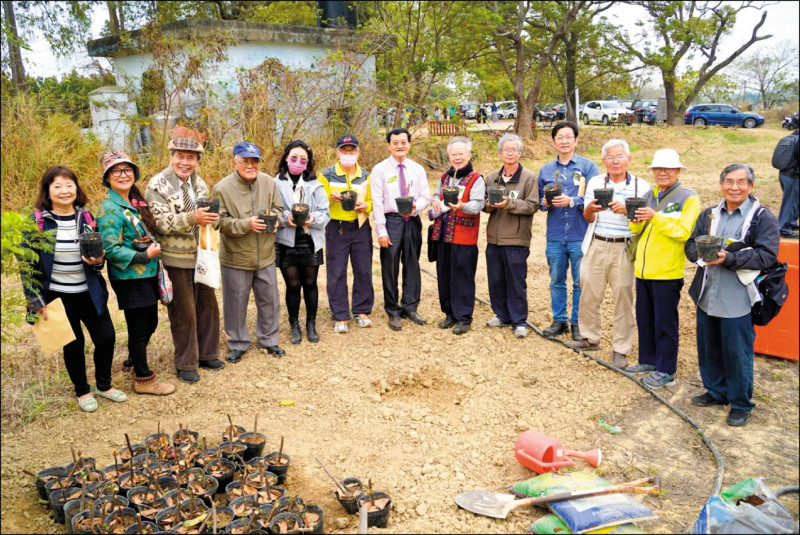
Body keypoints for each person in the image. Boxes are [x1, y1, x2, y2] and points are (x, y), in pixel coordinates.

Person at [20, 166, 124, 411]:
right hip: (58, 295)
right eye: (57, 186)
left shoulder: (86, 217)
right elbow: (27, 265)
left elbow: (97, 259)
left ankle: (104, 385)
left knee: (106, 337)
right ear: (47, 191)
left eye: (69, 185)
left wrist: (98, 261)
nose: (64, 191)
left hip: (89, 292)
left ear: (76, 188)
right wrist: (35, 300)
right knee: (73, 343)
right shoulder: (37, 221)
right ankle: (82, 391)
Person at [685, 164, 779, 427]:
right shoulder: (709, 215)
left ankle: (740, 403)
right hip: (708, 293)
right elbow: (690, 244)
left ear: (751, 186)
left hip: (738, 297)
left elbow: (767, 255)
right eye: (728, 181)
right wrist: (699, 254)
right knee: (709, 346)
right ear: (721, 184)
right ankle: (716, 391)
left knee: (737, 352)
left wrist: (730, 259)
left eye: (741, 182)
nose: (734, 187)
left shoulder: (761, 217)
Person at [145, 131, 224, 384]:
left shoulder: (199, 184)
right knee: (184, 312)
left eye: (191, 158)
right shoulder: (157, 184)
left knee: (207, 306)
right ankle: (186, 363)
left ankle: (208, 354)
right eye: (180, 156)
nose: (185, 162)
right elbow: (158, 222)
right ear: (171, 157)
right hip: (175, 257)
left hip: (202, 254)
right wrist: (193, 218)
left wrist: (212, 219)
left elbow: (205, 216)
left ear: (197, 161)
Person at [97, 151, 175, 396]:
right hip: (129, 277)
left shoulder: (134, 201)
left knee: (150, 322)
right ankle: (143, 378)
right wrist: (144, 255)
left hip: (147, 273)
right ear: (107, 178)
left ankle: (132, 360)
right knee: (139, 327)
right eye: (116, 171)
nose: (123, 175)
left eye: (127, 170)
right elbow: (110, 249)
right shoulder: (109, 208)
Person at [570, 139, 650, 369]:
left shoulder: (641, 186)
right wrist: (590, 209)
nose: (615, 161)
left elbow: (645, 219)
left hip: (624, 247)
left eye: (620, 156)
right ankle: (590, 337)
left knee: (623, 296)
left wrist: (627, 210)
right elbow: (588, 217)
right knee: (589, 291)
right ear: (604, 161)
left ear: (629, 159)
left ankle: (621, 348)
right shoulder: (596, 182)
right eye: (610, 157)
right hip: (597, 243)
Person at [626, 149, 700, 388]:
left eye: (668, 168)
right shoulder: (649, 194)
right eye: (658, 168)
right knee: (645, 319)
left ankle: (666, 371)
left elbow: (683, 232)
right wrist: (635, 221)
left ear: (678, 170)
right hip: (643, 270)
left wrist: (654, 217)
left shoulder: (689, 198)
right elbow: (636, 230)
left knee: (665, 323)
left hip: (667, 272)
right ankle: (648, 361)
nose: (662, 172)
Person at [213, 142, 285, 362]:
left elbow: (279, 209)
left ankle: (269, 340)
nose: (250, 165)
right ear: (235, 162)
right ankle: (237, 343)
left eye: (255, 161)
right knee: (235, 303)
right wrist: (247, 224)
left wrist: (277, 220)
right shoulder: (222, 188)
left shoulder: (269, 182)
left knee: (269, 300)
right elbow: (219, 222)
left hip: (265, 254)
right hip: (236, 256)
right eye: (245, 161)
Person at [537, 121, 600, 341]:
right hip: (555, 235)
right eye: (560, 138)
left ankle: (577, 322)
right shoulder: (546, 170)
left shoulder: (588, 167)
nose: (564, 141)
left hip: (579, 234)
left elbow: (595, 198)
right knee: (556, 279)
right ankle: (559, 320)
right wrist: (545, 202)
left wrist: (572, 201)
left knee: (580, 281)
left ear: (576, 140)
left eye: (568, 137)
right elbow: (540, 201)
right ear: (553, 142)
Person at [370, 128, 432, 330]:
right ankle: (393, 310)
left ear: (409, 144)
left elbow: (425, 196)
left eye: (403, 142)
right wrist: (381, 230)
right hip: (392, 221)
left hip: (412, 220)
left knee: (412, 263)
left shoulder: (417, 169)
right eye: (395, 142)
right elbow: (377, 201)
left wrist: (416, 208)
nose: (400, 146)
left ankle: (410, 307)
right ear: (388, 146)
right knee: (390, 267)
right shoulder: (380, 170)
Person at [483, 134, 540, 338]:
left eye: (513, 149)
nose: (509, 153)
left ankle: (519, 320)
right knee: (496, 279)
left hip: (517, 238)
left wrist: (509, 203)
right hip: (494, 238)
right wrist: (489, 204)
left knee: (516, 281)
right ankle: (502, 315)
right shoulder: (491, 177)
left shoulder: (529, 178)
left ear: (519, 153)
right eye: (506, 149)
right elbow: (484, 206)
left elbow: (532, 205)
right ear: (500, 153)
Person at [274, 140, 330, 344]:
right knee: (293, 284)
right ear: (286, 158)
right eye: (294, 158)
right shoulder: (274, 183)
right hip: (286, 240)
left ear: (308, 163)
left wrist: (313, 218)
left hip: (309, 239)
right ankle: (294, 324)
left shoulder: (316, 185)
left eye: (303, 159)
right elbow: (272, 210)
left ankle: (311, 324)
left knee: (310, 282)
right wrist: (285, 218)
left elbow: (326, 213)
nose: (298, 162)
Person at [428, 137, 485, 335]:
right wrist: (435, 201)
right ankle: (449, 314)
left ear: (469, 154)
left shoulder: (476, 179)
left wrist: (462, 206)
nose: (457, 158)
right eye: (454, 154)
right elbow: (436, 195)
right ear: (449, 156)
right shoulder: (445, 177)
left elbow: (478, 205)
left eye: (461, 154)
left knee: (462, 276)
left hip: (464, 236)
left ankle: (463, 317)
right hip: (443, 234)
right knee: (444, 274)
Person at [318, 134, 374, 334]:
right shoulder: (326, 175)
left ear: (358, 152)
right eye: (344, 150)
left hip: (360, 225)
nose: (348, 154)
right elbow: (318, 200)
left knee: (363, 269)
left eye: (352, 150)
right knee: (337, 271)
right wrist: (330, 197)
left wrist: (367, 206)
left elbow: (374, 200)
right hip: (336, 227)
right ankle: (340, 315)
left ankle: (362, 310)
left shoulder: (366, 175)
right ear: (337, 152)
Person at [773, 126, 799, 237]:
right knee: (790, 202)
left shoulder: (793, 136)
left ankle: (791, 223)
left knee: (794, 202)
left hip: (785, 174)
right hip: (793, 176)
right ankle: (783, 228)